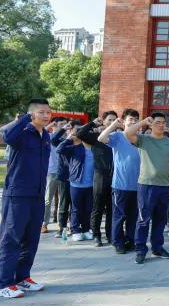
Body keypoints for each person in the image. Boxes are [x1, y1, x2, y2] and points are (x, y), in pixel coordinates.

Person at [0, 98, 52, 298]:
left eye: (48, 112)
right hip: (18, 193)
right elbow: (7, 136)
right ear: (31, 113)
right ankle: (3, 284)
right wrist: (25, 118)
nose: (46, 115)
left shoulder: (45, 135)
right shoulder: (22, 132)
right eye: (41, 112)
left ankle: (22, 277)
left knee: (31, 238)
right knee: (11, 238)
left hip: (37, 194)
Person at [124, 112, 169, 264]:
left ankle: (157, 248)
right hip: (146, 185)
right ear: (151, 124)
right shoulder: (143, 139)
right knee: (143, 220)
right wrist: (142, 122)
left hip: (164, 186)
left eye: (163, 122)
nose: (161, 125)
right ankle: (140, 250)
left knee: (160, 220)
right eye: (157, 122)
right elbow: (127, 133)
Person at [96, 109, 140, 254]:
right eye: (130, 119)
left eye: (136, 119)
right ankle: (118, 242)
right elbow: (101, 138)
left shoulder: (140, 138)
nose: (133, 122)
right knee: (119, 215)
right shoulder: (117, 136)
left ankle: (130, 240)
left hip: (138, 185)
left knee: (133, 216)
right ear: (124, 121)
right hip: (120, 185)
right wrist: (113, 125)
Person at [77, 113, 116, 247]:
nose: (112, 122)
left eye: (114, 120)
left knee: (112, 208)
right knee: (98, 207)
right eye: (109, 120)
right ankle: (96, 235)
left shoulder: (118, 137)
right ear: (103, 122)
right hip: (100, 176)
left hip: (115, 177)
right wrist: (93, 123)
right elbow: (80, 133)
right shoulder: (96, 137)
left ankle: (111, 235)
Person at [56, 128, 95, 242]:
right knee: (76, 209)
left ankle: (86, 230)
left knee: (88, 209)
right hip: (76, 183)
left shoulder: (95, 148)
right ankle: (75, 231)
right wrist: (69, 138)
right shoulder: (75, 148)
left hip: (91, 185)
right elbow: (59, 149)